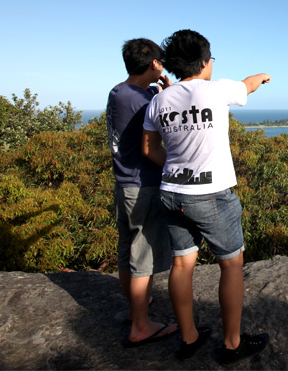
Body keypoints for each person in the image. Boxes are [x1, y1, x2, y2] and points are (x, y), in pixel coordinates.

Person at [142, 29, 271, 364]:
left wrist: (175, 168)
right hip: (212, 196)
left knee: (183, 264)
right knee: (231, 265)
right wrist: (263, 75)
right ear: (203, 62)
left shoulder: (159, 100)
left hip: (171, 192)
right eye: (211, 58)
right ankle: (231, 344)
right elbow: (248, 85)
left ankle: (189, 337)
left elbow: (148, 148)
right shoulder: (216, 90)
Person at [106, 38, 177, 347]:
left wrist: (160, 85)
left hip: (124, 184)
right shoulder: (145, 101)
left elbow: (148, 98)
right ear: (154, 64)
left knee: (127, 252)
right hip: (143, 185)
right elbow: (167, 131)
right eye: (160, 62)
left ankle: (137, 309)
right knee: (142, 257)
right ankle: (141, 327)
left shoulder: (120, 93)